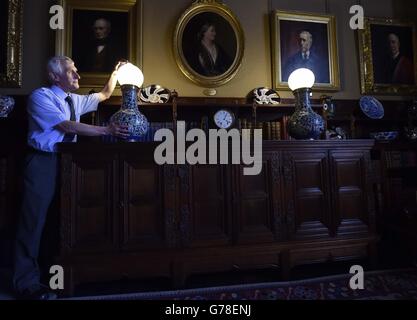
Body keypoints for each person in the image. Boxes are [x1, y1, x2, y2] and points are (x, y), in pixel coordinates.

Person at [12, 56, 129, 300]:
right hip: (43, 162)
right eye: (71, 71)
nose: (78, 76)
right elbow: (67, 126)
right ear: (54, 76)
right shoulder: (40, 97)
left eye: (76, 70)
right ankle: (26, 284)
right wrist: (106, 130)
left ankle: (52, 278)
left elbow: (104, 95)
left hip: (68, 163)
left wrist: (115, 73)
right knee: (33, 223)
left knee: (61, 222)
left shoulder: (73, 99)